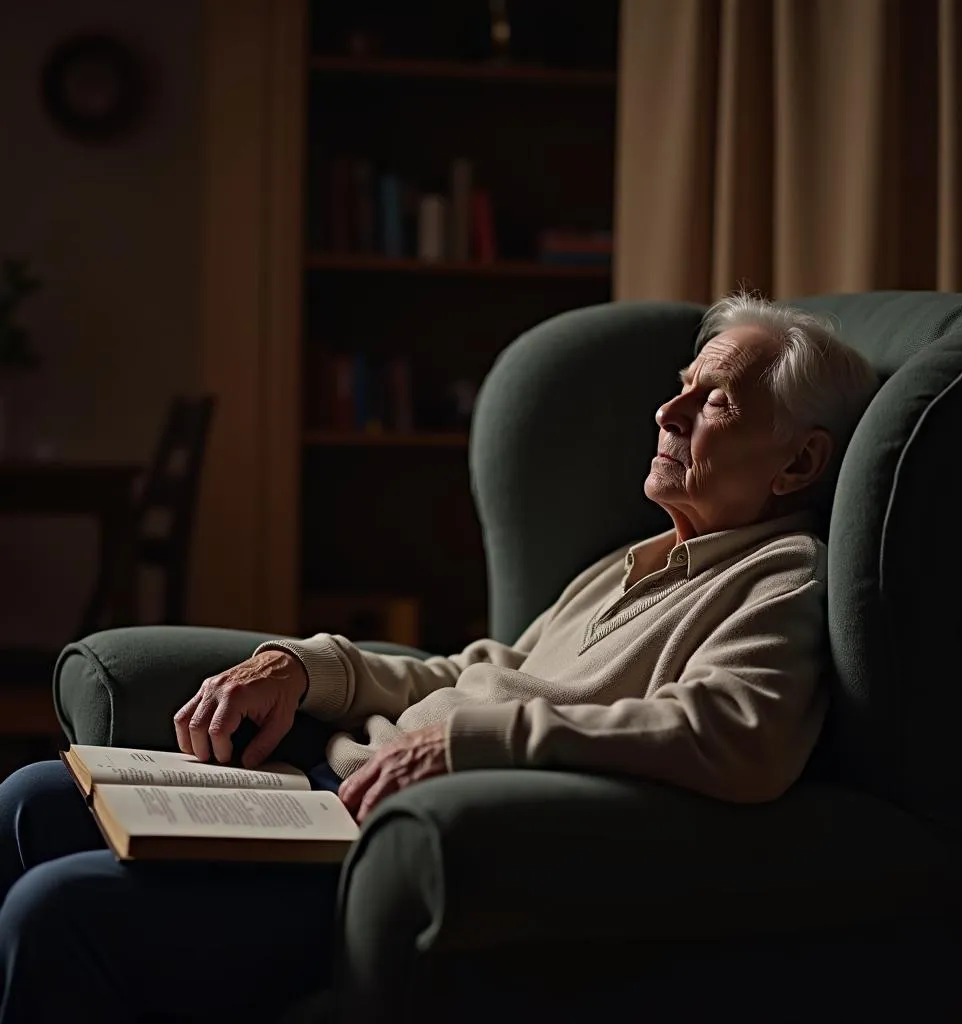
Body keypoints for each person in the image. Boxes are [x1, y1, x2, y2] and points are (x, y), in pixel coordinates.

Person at [0, 294, 879, 1022]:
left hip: (408, 848)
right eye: (681, 386)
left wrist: (469, 745)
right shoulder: (636, 560)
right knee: (29, 798)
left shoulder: (782, 576)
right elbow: (470, 668)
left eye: (715, 398)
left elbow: (737, 734)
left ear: (800, 461)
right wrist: (305, 666)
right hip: (330, 793)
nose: (668, 411)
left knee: (56, 909)